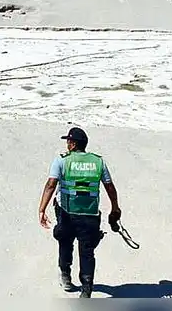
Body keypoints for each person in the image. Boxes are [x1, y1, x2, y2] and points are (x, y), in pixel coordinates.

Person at [38, 126, 121, 298]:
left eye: (68, 141)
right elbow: (110, 187)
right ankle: (86, 288)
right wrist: (115, 208)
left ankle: (65, 276)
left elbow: (51, 185)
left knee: (65, 243)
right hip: (90, 214)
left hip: (66, 213)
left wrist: (42, 209)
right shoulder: (98, 162)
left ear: (74, 144)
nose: (67, 144)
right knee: (87, 251)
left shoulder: (62, 160)